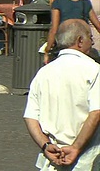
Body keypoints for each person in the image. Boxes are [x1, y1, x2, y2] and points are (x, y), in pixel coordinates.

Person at [24, 19, 100, 171]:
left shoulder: (43, 73)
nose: (92, 44)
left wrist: (46, 145)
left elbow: (30, 116)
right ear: (80, 41)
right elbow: (96, 111)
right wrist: (76, 147)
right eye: (90, 38)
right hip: (87, 159)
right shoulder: (94, 70)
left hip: (52, 159)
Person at [45, 0, 100, 64]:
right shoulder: (85, 3)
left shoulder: (58, 3)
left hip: (65, 43)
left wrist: (47, 49)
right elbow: (98, 26)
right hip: (82, 45)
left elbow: (54, 29)